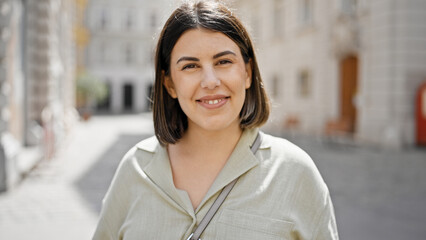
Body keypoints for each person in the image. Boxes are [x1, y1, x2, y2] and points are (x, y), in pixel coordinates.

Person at [93, 1, 338, 239]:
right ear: (170, 84)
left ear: (248, 73)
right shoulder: (135, 168)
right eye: (190, 66)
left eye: (223, 62)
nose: (210, 81)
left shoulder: (295, 172)